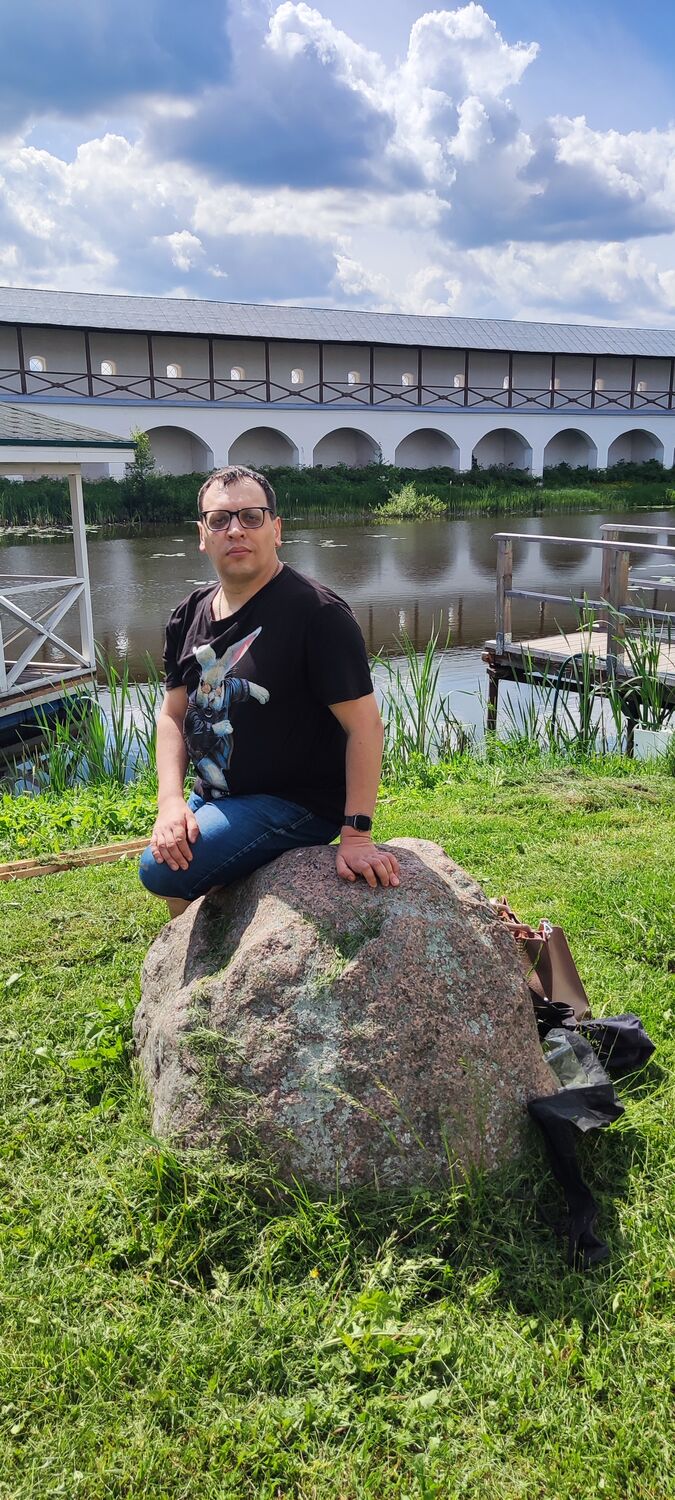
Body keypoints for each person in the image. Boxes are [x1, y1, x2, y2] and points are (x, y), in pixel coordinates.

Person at [138, 464, 400, 917]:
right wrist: (171, 801)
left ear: (275, 530)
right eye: (219, 520)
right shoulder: (188, 613)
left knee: (159, 869)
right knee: (173, 852)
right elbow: (172, 715)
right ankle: (196, 954)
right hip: (215, 791)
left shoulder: (317, 614)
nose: (235, 530)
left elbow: (365, 727)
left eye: (251, 517)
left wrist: (357, 833)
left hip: (295, 801)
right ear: (202, 535)